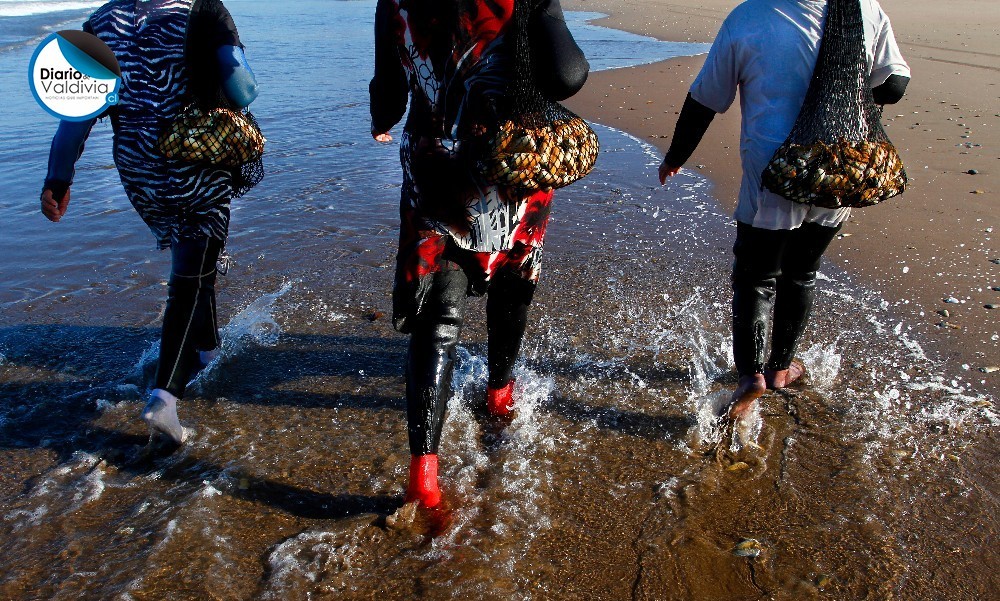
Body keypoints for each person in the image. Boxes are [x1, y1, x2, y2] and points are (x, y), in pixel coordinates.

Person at [370, 0, 589, 509]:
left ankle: (424, 473)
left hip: (436, 166)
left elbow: (388, 92)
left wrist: (381, 121)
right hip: (512, 161)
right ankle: (499, 394)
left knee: (438, 319)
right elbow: (566, 74)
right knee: (513, 284)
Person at [658, 0, 909, 419]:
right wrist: (840, 83)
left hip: (774, 166)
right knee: (802, 272)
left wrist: (677, 155)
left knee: (756, 277)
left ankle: (751, 375)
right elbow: (894, 85)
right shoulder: (863, 9)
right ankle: (779, 369)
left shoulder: (750, 16)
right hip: (839, 163)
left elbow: (705, 98)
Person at [41, 0, 259, 446]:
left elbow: (76, 118)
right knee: (189, 279)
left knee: (193, 264)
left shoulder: (101, 23)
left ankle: (207, 347)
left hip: (140, 171)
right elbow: (243, 89)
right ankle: (166, 397)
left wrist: (58, 178)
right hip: (197, 157)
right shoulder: (202, 10)